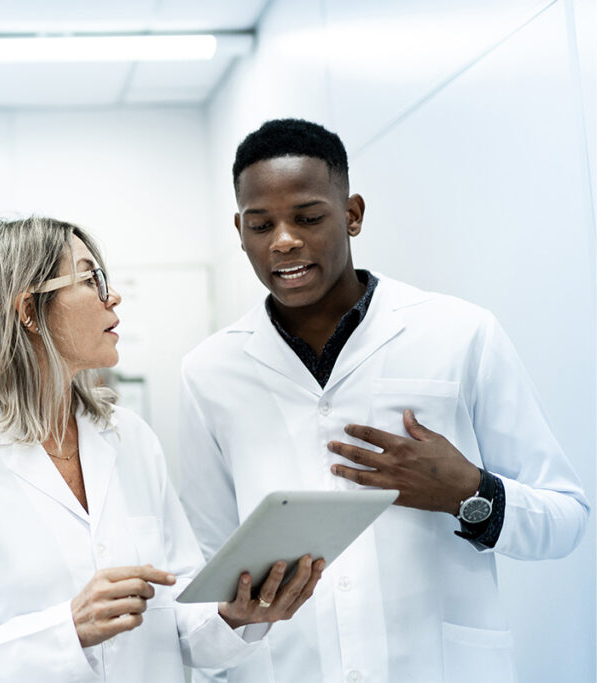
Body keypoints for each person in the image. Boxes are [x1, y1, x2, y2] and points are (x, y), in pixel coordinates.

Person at [178, 119, 589, 682]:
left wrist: (470, 492)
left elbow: (566, 518)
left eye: (308, 217)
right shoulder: (210, 371)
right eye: (260, 224)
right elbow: (208, 567)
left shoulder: (461, 332)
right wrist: (233, 618)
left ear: (352, 214)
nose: (284, 240)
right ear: (240, 230)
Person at [0, 216, 325, 683]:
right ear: (29, 311)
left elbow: (177, 614)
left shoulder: (129, 438)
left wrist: (234, 614)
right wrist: (66, 630)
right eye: (90, 278)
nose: (111, 296)